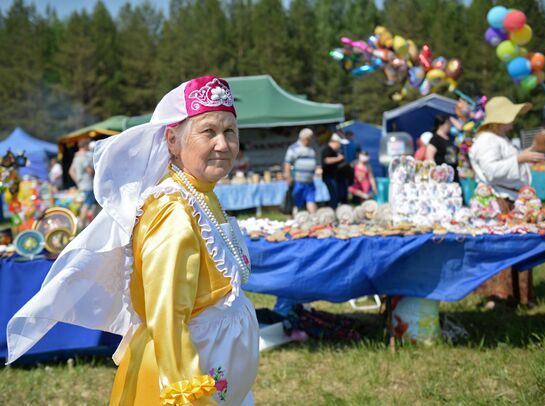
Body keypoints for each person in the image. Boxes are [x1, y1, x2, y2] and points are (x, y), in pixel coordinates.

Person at [7, 76, 260, 405]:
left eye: (230, 132)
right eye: (208, 131)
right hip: (185, 379)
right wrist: (187, 388)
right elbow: (167, 315)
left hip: (214, 369)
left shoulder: (201, 195)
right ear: (172, 141)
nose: (223, 145)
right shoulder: (173, 211)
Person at [469, 96, 545, 308]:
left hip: (510, 197)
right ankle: (499, 297)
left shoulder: (500, 138)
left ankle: (518, 296)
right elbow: (492, 171)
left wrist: (525, 155)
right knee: (500, 247)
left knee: (517, 247)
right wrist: (520, 159)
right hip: (497, 200)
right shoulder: (487, 140)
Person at [284, 128, 318, 213]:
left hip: (309, 181)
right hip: (297, 181)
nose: (311, 140)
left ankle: (314, 217)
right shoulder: (293, 148)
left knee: (311, 200)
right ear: (305, 138)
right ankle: (295, 218)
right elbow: (288, 163)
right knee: (296, 201)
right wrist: (288, 176)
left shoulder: (311, 150)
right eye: (310, 138)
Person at [69, 138, 97, 227]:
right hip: (88, 184)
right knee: (87, 205)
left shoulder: (76, 157)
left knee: (87, 205)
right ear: (85, 145)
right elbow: (89, 170)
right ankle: (83, 225)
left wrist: (78, 181)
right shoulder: (84, 156)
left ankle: (85, 225)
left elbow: (71, 171)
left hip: (82, 185)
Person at [321, 133, 349, 208]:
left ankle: (335, 207)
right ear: (335, 142)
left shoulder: (335, 151)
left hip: (335, 177)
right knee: (333, 195)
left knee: (337, 195)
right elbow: (326, 160)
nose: (340, 145)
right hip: (329, 177)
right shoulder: (327, 149)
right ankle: (332, 209)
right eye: (339, 143)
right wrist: (338, 159)